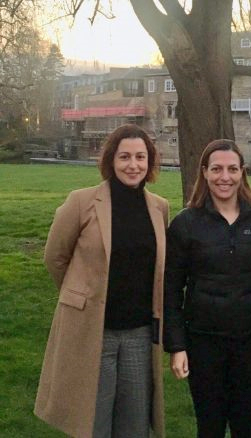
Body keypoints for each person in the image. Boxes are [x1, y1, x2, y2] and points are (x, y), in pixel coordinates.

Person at [34, 124, 168, 438]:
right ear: (111, 160)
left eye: (140, 157)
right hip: (94, 331)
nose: (133, 165)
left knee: (135, 425)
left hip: (139, 332)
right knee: (93, 422)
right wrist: (80, 295)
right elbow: (55, 257)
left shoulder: (159, 208)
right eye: (125, 157)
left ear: (149, 162)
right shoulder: (81, 202)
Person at [164, 139, 251, 438]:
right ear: (204, 172)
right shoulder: (186, 224)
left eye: (232, 169)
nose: (224, 177)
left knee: (247, 425)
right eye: (216, 169)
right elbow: (171, 288)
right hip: (204, 342)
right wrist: (177, 346)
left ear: (243, 172)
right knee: (210, 425)